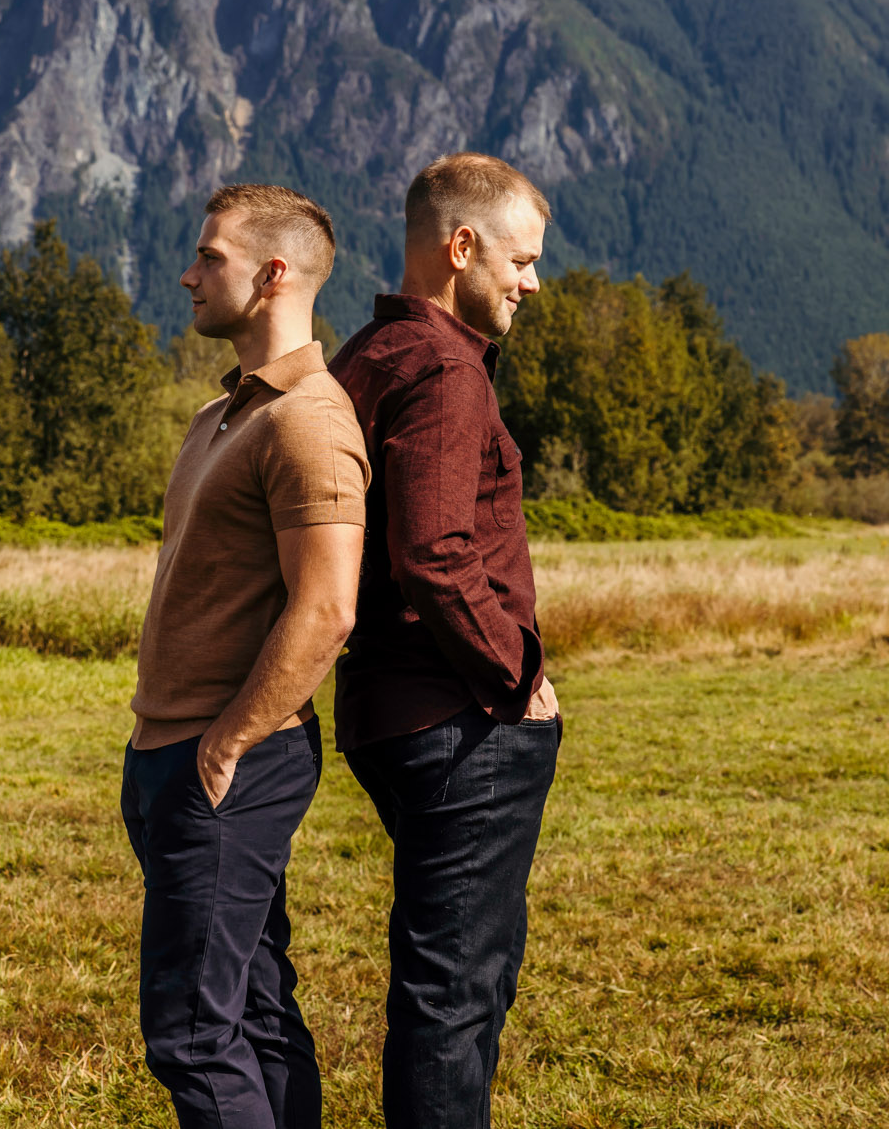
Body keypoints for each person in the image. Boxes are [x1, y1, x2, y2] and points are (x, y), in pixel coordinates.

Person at [121, 183, 369, 1128]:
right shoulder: (222, 417)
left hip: (226, 765)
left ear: (272, 275)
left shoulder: (308, 419)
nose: (187, 274)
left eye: (209, 257)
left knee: (193, 1036)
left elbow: (328, 606)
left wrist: (225, 745)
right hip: (171, 754)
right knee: (254, 1014)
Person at [326, 152, 560, 1128]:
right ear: (460, 246)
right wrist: (517, 674)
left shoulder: (367, 354)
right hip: (457, 722)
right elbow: (431, 551)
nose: (531, 281)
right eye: (520, 257)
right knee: (454, 1000)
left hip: (388, 710)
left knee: (455, 982)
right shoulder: (442, 369)